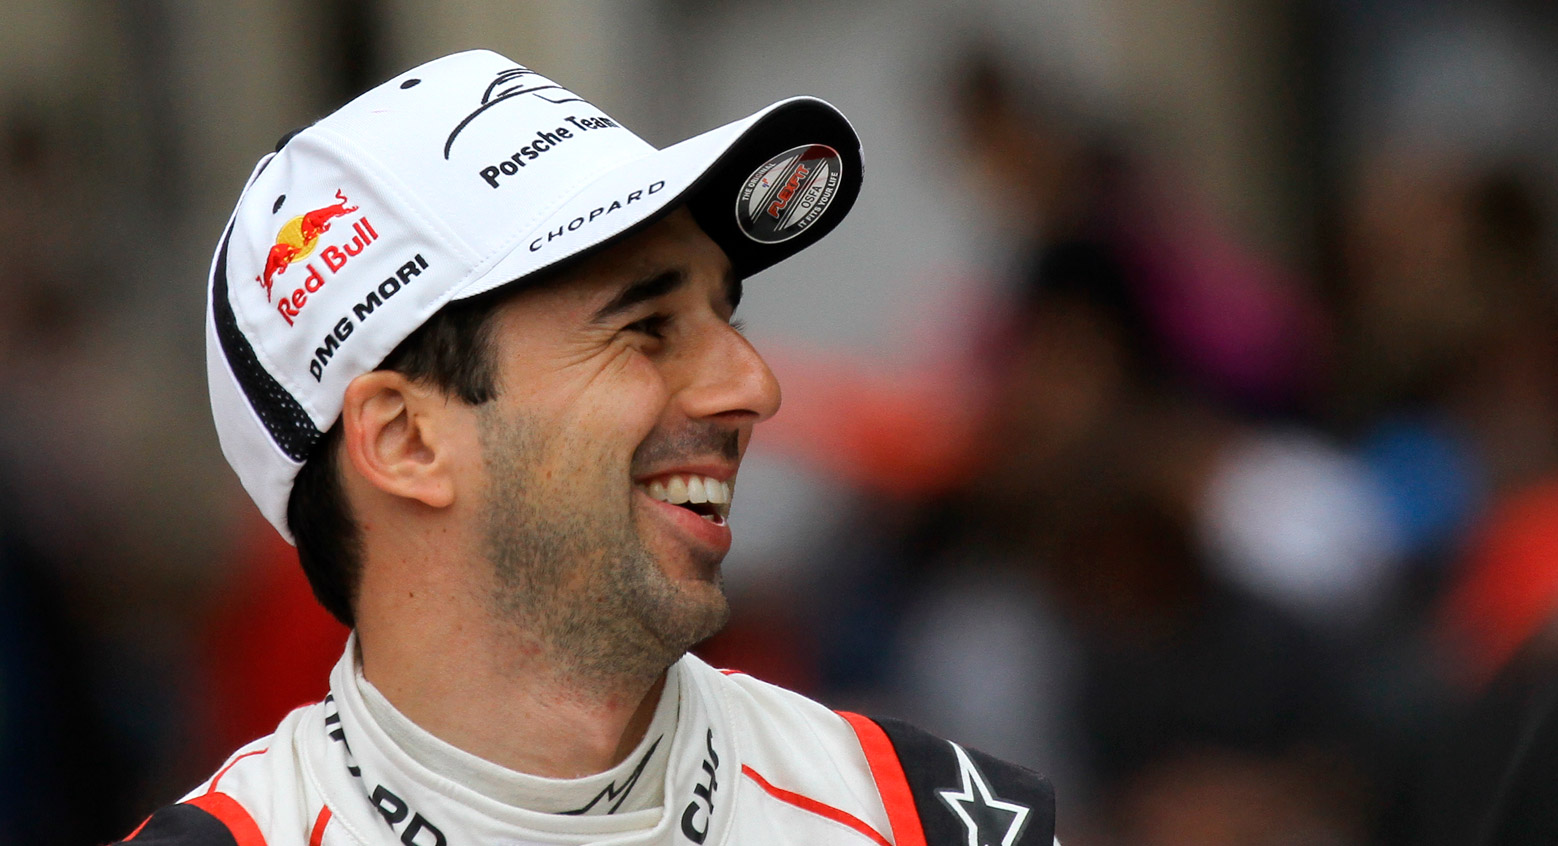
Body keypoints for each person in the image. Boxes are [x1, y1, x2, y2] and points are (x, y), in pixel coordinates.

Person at [121, 50, 1055, 846]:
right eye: (646, 326)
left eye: (725, 312)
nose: (756, 387)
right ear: (407, 441)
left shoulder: (934, 818)